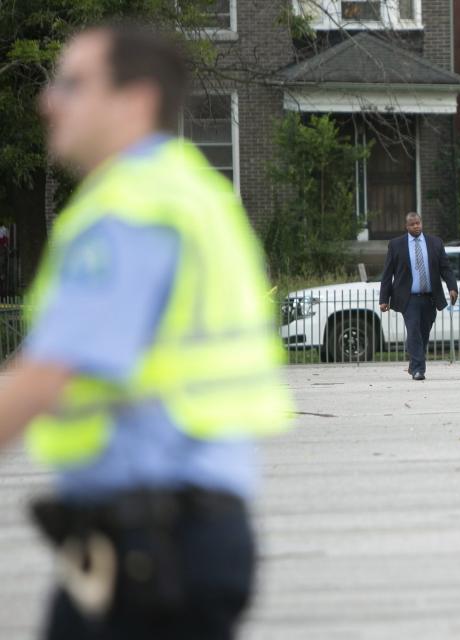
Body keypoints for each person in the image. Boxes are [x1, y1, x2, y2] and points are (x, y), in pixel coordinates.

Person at [0, 23, 292, 639]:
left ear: (134, 102)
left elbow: (48, 374)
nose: (48, 100)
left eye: (75, 84)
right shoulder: (190, 192)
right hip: (185, 535)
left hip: (149, 546)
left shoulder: (126, 213)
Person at [379, 212, 458, 380]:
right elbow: (387, 273)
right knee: (413, 330)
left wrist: (452, 287)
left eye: (418, 223)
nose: (416, 226)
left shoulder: (435, 243)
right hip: (409, 298)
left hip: (430, 296)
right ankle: (418, 369)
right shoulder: (396, 245)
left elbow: (445, 268)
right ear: (406, 226)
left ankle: (414, 362)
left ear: (422, 223)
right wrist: (383, 299)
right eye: (412, 224)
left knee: (423, 332)